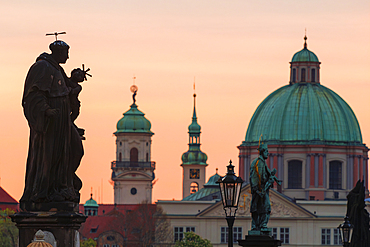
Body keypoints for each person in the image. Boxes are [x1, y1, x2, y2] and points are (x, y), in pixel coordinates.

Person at [20, 40, 85, 209]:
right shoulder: (42, 67)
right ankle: (45, 192)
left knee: (76, 149)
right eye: (66, 53)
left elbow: (67, 87)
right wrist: (46, 110)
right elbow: (33, 94)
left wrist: (76, 81)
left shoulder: (57, 69)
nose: (68, 56)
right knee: (49, 155)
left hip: (63, 120)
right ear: (57, 51)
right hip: (51, 123)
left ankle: (64, 184)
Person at [249, 143, 272, 231]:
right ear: (262, 152)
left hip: (263, 189)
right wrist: (257, 190)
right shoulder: (257, 163)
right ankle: (258, 225)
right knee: (258, 208)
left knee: (265, 207)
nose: (268, 153)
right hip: (259, 190)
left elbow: (265, 176)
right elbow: (254, 177)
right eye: (266, 151)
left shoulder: (262, 163)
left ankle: (262, 225)